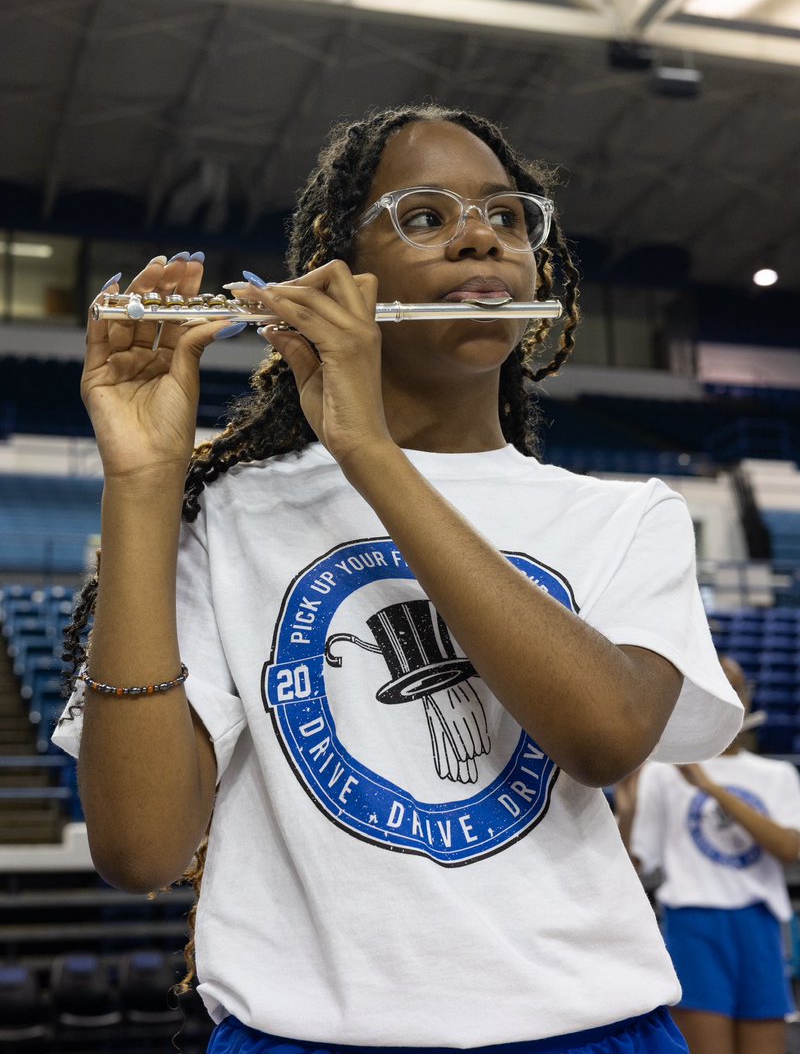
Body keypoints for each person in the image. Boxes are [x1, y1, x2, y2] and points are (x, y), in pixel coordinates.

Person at [54, 104, 743, 1054]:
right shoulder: (233, 516)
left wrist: (368, 448)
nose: (481, 237)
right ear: (341, 273)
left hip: (589, 1027)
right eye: (426, 216)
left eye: (510, 217)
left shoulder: (626, 516)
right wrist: (141, 485)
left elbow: (604, 740)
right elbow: (140, 849)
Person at [622, 656, 800, 1054]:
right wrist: (629, 812)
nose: (725, 693)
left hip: (760, 926)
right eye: (711, 683)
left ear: (747, 696)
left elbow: (790, 849)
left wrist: (709, 787)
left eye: (735, 685)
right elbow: (632, 866)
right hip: (694, 925)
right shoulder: (663, 773)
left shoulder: (777, 776)